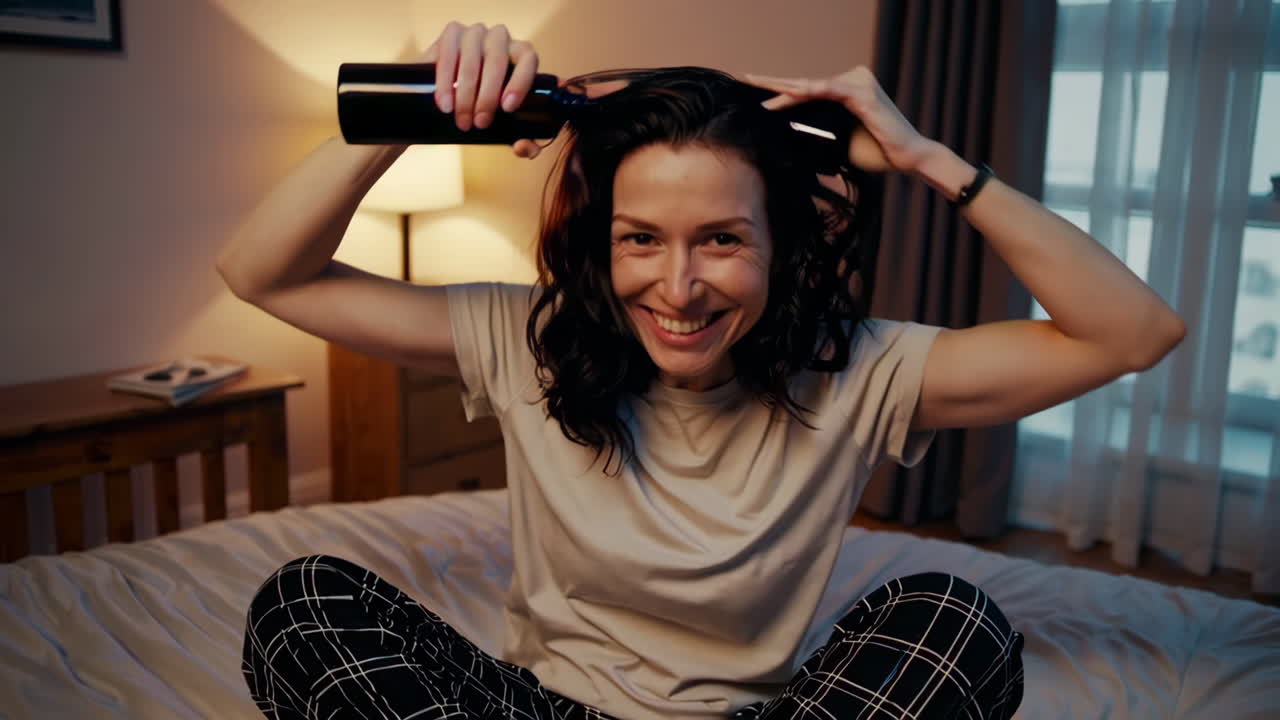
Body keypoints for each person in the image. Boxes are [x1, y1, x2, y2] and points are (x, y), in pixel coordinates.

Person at [224, 21, 1185, 720]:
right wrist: (419, 108)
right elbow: (264, 274)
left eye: (722, 239)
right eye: (641, 238)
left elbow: (1130, 334)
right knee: (303, 603)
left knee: (956, 620)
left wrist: (930, 159)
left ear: (781, 245)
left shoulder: (862, 369)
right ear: (601, 246)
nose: (678, 288)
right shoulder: (524, 334)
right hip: (541, 710)